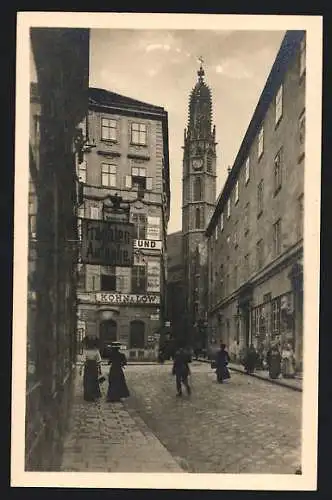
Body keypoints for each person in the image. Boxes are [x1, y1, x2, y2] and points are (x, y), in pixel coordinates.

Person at [80, 336, 102, 401]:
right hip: (94, 367)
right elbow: (99, 361)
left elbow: (83, 361)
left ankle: (88, 396)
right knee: (94, 381)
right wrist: (100, 370)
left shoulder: (85, 351)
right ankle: (93, 395)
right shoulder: (96, 351)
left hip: (88, 367)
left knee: (87, 381)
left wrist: (81, 369)